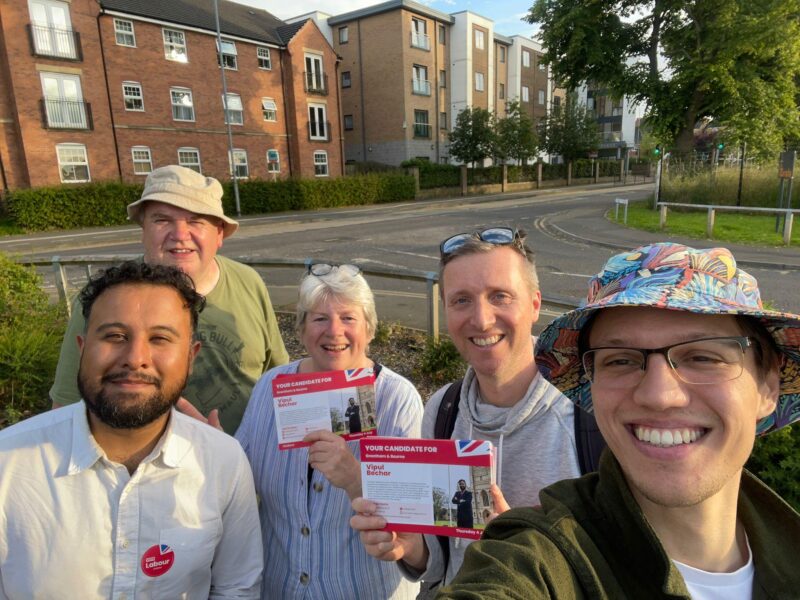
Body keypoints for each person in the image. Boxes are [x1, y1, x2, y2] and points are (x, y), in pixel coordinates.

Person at [438, 242, 800, 598]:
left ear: (768, 386)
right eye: (620, 360)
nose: (659, 396)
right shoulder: (539, 558)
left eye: (703, 357)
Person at [0, 261, 262, 597]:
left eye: (160, 338)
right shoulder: (9, 466)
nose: (136, 357)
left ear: (191, 357)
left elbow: (237, 588)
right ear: (82, 350)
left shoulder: (224, 462)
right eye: (114, 336)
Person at [351, 227, 586, 589]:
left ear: (535, 304)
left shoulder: (588, 418)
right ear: (445, 309)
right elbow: (439, 563)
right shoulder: (442, 411)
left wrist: (521, 549)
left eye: (500, 296)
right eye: (462, 300)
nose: (481, 319)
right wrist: (411, 548)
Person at [49, 165, 289, 433]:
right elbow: (66, 409)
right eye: (162, 220)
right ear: (143, 230)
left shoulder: (248, 282)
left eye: (196, 221)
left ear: (219, 233)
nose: (179, 234)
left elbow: (279, 377)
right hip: (151, 466)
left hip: (250, 458)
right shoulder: (106, 298)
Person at [235, 262, 424, 599]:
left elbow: (414, 520)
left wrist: (355, 478)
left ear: (369, 329)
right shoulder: (270, 388)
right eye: (320, 318)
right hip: (280, 589)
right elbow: (241, 480)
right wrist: (214, 455)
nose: (334, 331)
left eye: (348, 318)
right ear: (301, 329)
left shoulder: (397, 398)